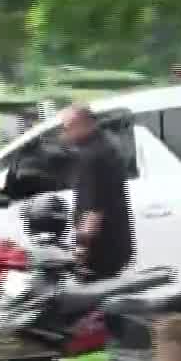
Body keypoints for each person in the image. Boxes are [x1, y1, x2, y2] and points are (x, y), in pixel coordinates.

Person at [58, 103, 133, 279]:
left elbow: (94, 210)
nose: (64, 134)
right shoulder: (108, 146)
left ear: (83, 125)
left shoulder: (91, 157)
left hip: (100, 249)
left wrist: (81, 248)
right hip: (118, 243)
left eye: (67, 128)